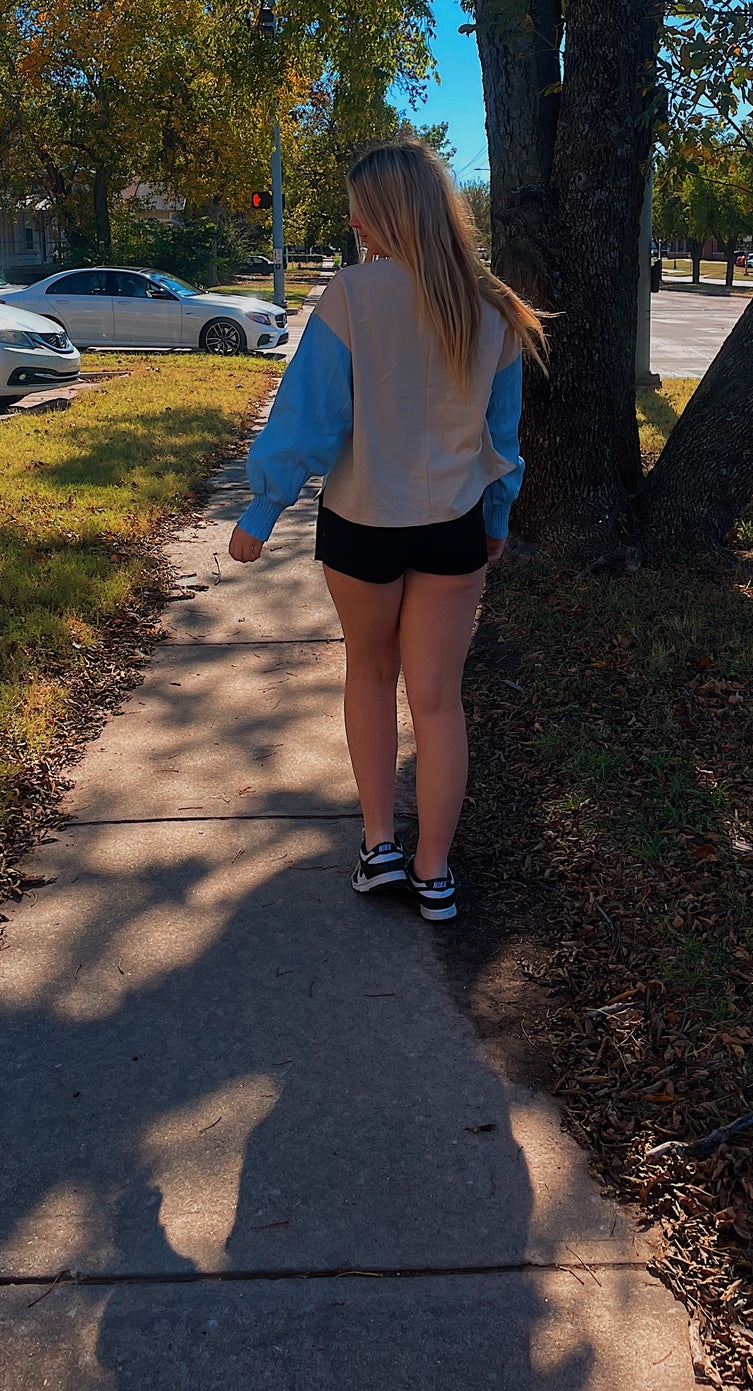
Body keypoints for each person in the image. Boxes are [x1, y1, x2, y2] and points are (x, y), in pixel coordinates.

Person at [227, 141, 546, 922]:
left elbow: (310, 415)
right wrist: (497, 517)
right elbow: (500, 437)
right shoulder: (494, 305)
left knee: (369, 675)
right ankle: (434, 872)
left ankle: (379, 846)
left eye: (357, 205)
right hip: (454, 529)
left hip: (362, 524)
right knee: (438, 702)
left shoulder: (351, 296)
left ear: (383, 214)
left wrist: (263, 509)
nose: (351, 218)